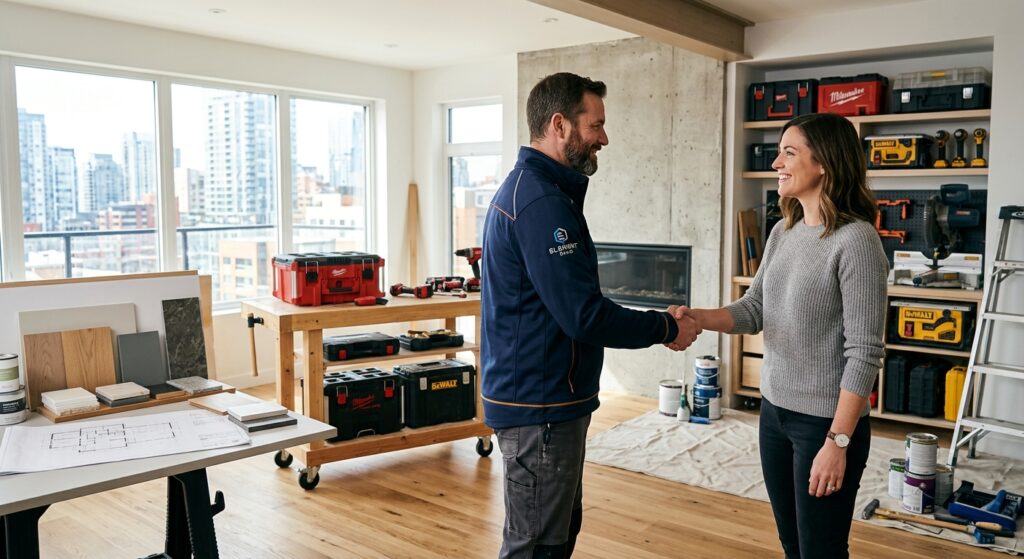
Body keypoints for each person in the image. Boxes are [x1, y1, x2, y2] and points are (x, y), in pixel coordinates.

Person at [480, 72, 700, 559]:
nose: (604, 137)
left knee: (554, 534)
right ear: (559, 125)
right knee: (537, 545)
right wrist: (665, 326)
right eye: (595, 124)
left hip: (546, 400)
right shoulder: (540, 203)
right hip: (539, 406)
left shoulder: (539, 194)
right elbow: (583, 316)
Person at [670, 112, 888, 558]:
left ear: (824, 162)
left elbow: (864, 353)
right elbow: (754, 310)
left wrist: (837, 442)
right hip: (774, 414)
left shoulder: (857, 241)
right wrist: (695, 319)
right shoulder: (782, 231)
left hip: (823, 425)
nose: (776, 163)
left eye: (789, 152)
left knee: (820, 551)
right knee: (793, 545)